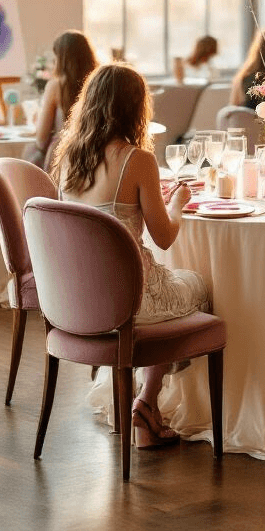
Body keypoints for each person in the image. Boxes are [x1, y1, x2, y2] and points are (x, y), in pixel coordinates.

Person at [53, 63, 207, 447]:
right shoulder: (137, 160)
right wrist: (179, 203)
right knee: (199, 286)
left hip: (77, 298)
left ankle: (141, 411)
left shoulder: (69, 156)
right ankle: (147, 399)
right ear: (136, 108)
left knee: (175, 286)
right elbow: (165, 237)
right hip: (130, 299)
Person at [27, 30, 97, 171]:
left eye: (56, 57)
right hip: (95, 156)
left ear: (63, 59)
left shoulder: (57, 85)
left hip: (63, 159)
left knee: (30, 153)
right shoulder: (98, 83)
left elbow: (41, 139)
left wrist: (38, 119)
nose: (54, 61)